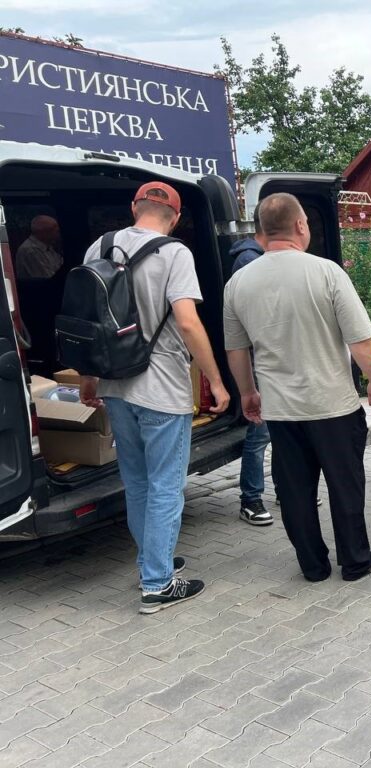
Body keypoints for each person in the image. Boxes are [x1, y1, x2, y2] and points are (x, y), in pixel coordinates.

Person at [79, 182, 230, 614]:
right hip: (162, 386)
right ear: (176, 218)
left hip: (114, 385)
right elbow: (187, 322)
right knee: (166, 486)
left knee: (138, 482)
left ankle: (152, 559)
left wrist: (90, 380)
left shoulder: (99, 247)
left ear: (134, 208)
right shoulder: (175, 253)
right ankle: (158, 582)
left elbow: (88, 322)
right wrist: (217, 383)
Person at [223, 193, 371, 583]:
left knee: (295, 491)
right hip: (332, 405)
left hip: (281, 410)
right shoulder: (326, 272)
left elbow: (236, 348)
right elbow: (360, 339)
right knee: (345, 486)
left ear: (263, 230)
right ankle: (355, 561)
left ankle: (312, 566)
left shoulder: (239, 283)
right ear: (300, 225)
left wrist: (248, 392)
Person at [225, 206, 275, 526]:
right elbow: (259, 318)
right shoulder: (249, 261)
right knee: (261, 431)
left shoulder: (260, 258)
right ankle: (250, 498)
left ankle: (286, 488)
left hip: (270, 359)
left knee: (281, 428)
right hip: (262, 360)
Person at [15, 215, 63, 279]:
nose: (58, 235)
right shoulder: (30, 251)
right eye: (56, 231)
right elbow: (47, 277)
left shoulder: (47, 246)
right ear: (44, 233)